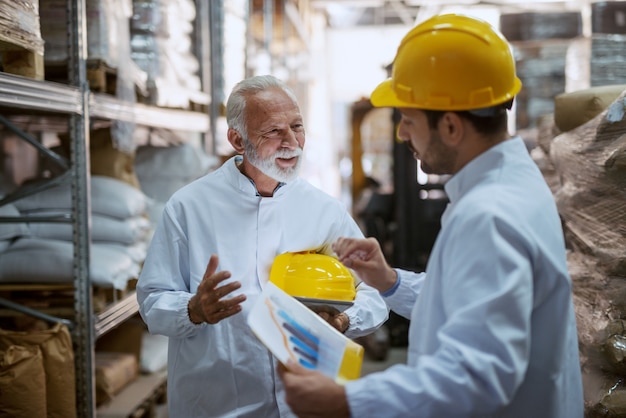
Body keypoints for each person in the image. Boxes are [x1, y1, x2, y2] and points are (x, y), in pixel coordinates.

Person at [277, 14, 584, 418]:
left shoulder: (489, 216)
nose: (403, 134)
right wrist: (388, 281)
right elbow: (470, 304)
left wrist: (346, 400)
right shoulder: (514, 181)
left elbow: (476, 377)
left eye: (409, 120)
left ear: (452, 126)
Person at [136, 74, 389, 417]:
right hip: (217, 405)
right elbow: (152, 299)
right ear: (237, 140)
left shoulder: (323, 210)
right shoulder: (189, 208)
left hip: (304, 405)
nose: (292, 142)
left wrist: (344, 319)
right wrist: (194, 310)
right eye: (273, 131)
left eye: (297, 126)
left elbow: (375, 291)